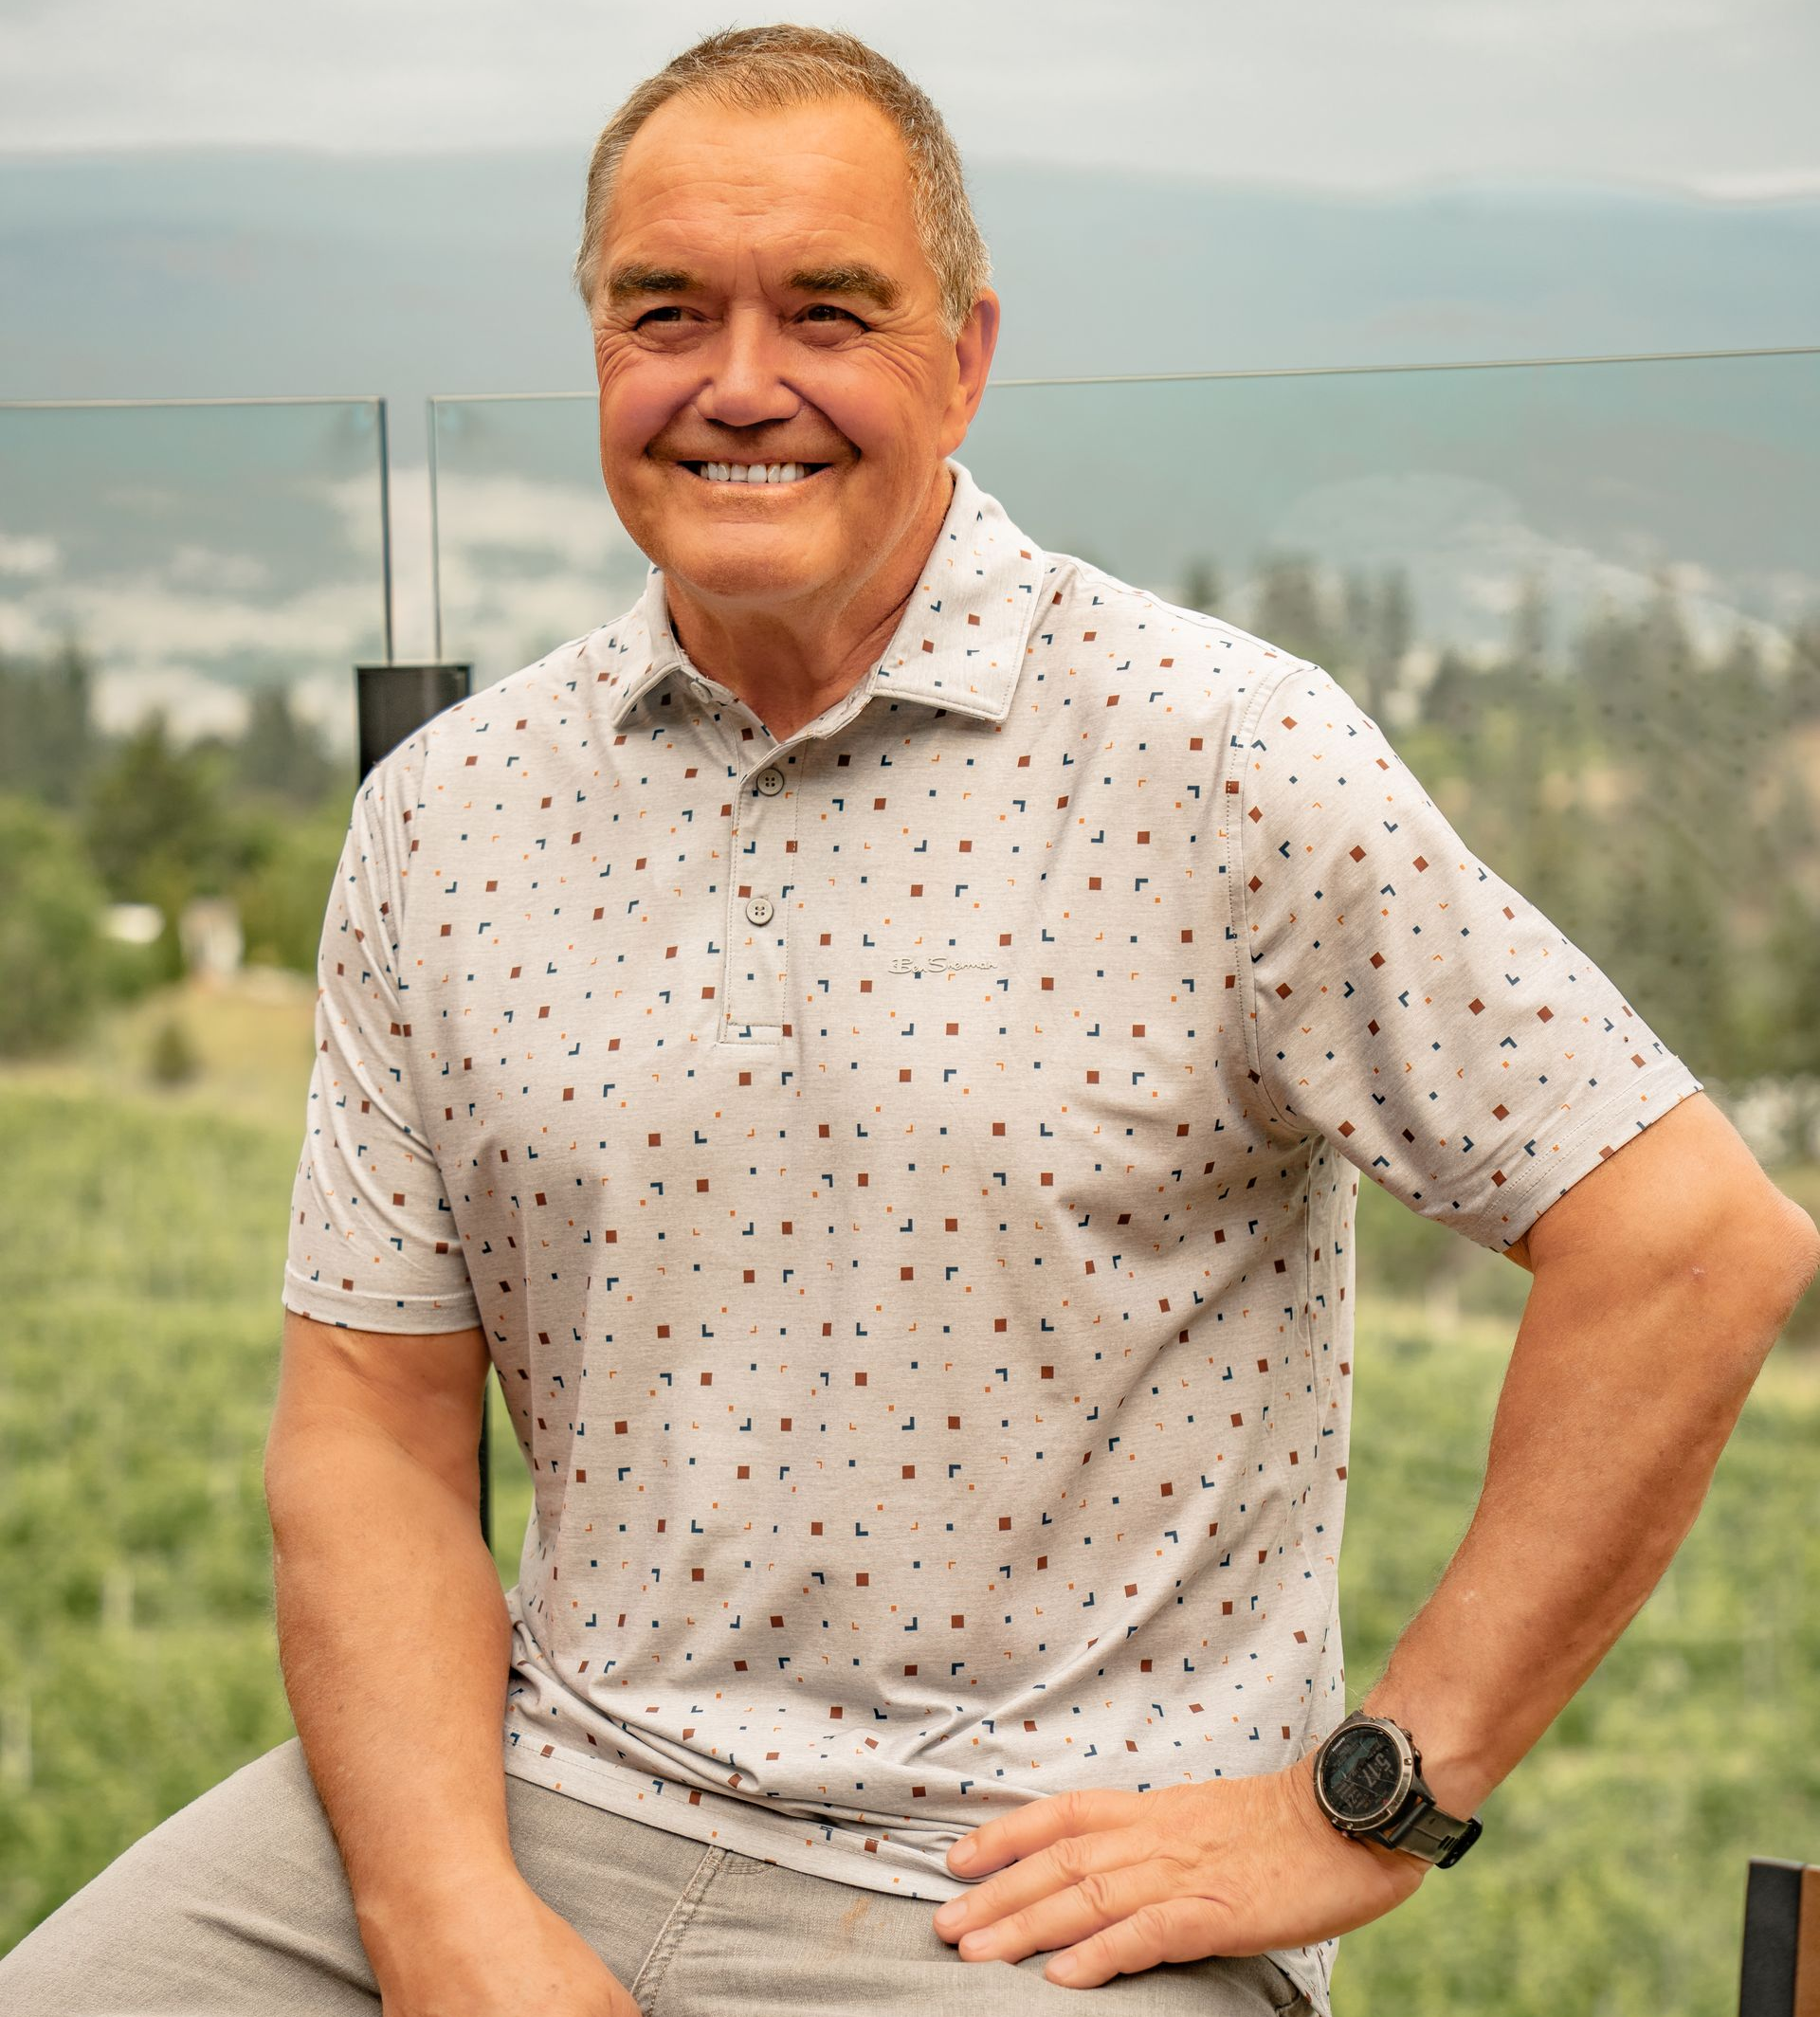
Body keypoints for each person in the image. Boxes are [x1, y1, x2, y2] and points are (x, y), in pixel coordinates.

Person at [5, 22, 1816, 2017]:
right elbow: (364, 1430)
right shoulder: (450, 814)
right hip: (531, 1796)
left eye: (828, 312)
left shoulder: (1220, 755)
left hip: (1035, 1892)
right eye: (664, 310)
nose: (738, 382)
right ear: (595, 348)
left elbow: (1693, 1242)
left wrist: (1366, 1802)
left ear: (965, 356)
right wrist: (448, 1914)